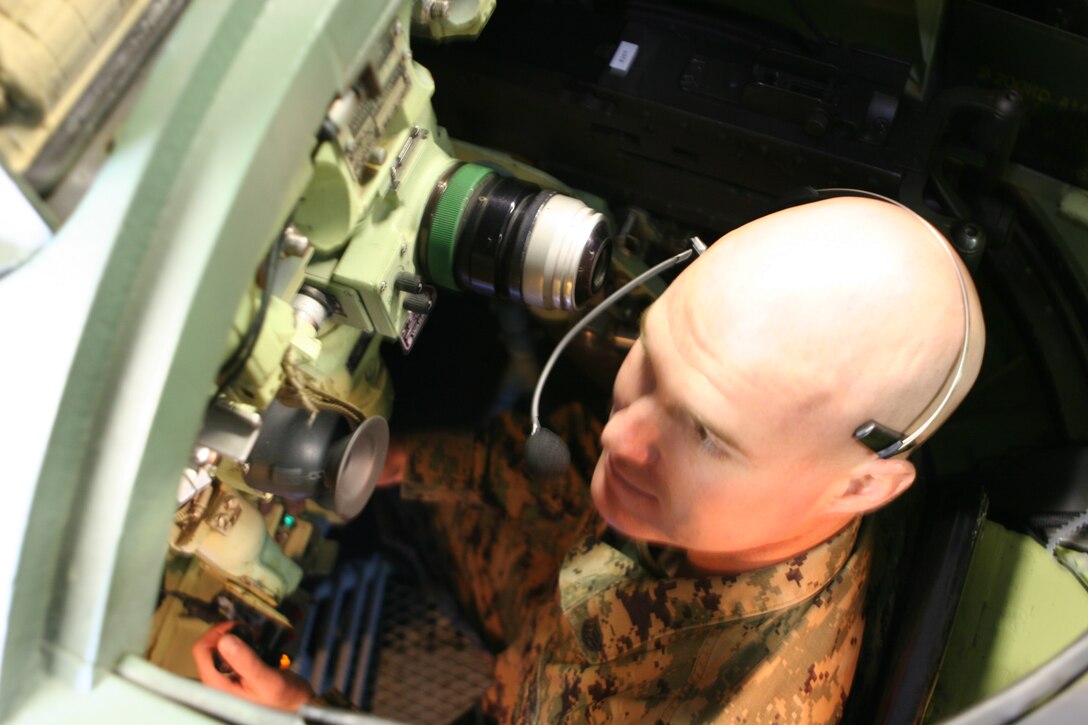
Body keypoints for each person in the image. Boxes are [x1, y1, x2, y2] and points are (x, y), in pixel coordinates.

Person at [193, 196, 986, 722]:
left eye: (708, 434)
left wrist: (303, 710)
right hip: (545, 594)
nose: (620, 435)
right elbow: (573, 456)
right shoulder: (729, 479)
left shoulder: (720, 704)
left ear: (863, 484)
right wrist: (408, 461)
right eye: (651, 358)